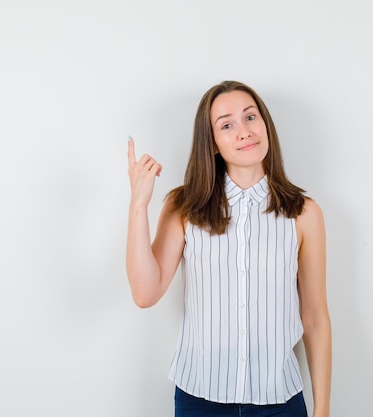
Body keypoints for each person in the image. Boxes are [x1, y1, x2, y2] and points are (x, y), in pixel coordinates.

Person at [126, 80, 331, 417]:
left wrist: (322, 410)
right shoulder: (184, 206)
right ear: (214, 144)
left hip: (280, 402)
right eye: (227, 124)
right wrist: (138, 204)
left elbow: (315, 318)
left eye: (251, 117)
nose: (244, 131)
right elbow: (144, 293)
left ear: (265, 125)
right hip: (198, 400)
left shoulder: (305, 213)